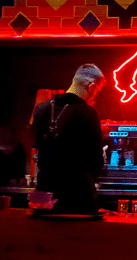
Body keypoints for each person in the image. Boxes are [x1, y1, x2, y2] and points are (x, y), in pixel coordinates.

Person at [32, 64, 106, 215]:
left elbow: (37, 147)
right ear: (91, 87)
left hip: (43, 195)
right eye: (97, 92)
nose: (94, 96)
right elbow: (95, 162)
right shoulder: (89, 114)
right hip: (77, 198)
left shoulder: (41, 109)